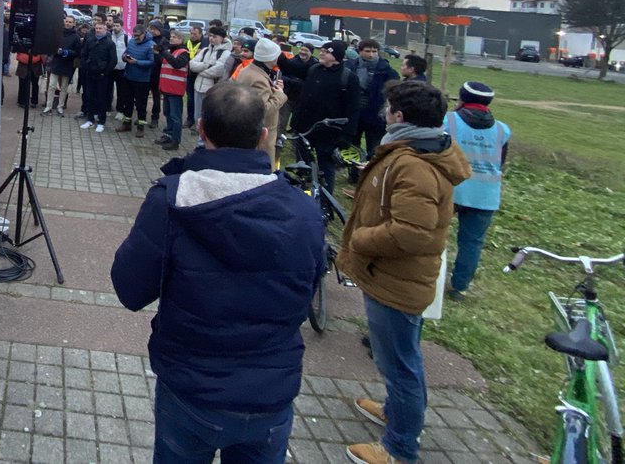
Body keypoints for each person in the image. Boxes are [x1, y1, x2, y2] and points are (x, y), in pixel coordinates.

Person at [112, 82, 324, 464]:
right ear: (262, 136)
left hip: (192, 387)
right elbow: (306, 292)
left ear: (201, 128)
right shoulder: (304, 211)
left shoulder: (172, 199)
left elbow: (129, 289)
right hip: (270, 392)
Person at [338, 80, 471, 464]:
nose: (383, 112)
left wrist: (361, 239)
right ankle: (397, 414)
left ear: (399, 116)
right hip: (393, 275)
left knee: (400, 365)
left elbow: (412, 232)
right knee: (397, 358)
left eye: (388, 108)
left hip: (395, 279)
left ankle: (400, 447)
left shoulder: (414, 164)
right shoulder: (413, 151)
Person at [446, 81, 510, 301]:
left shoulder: (449, 120)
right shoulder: (502, 129)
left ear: (462, 97)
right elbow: (501, 161)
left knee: (433, 234)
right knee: (472, 243)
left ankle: (429, 277)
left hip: (451, 188)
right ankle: (459, 288)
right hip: (486, 194)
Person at [290, 39, 360, 194]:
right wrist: (296, 122)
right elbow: (304, 98)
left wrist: (347, 135)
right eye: (321, 50)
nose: (321, 53)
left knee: (326, 167)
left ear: (337, 57)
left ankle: (325, 202)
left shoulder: (348, 78)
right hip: (305, 128)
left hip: (329, 132)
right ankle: (302, 194)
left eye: (326, 51)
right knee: (302, 164)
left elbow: (353, 108)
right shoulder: (314, 69)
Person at [232, 37, 287, 168]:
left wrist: (272, 89)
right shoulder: (258, 79)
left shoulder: (247, 70)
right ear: (271, 58)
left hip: (246, 130)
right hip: (262, 136)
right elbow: (262, 109)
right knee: (264, 169)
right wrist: (280, 95)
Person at [346, 39, 398, 159]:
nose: (371, 55)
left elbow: (393, 92)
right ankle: (353, 174)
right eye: (367, 51)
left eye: (374, 51)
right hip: (354, 113)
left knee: (374, 148)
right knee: (352, 146)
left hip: (376, 115)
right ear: (359, 51)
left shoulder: (387, 70)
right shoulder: (350, 66)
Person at [116, 25, 155, 138]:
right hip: (128, 76)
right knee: (127, 102)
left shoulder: (151, 45)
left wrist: (137, 62)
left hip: (142, 80)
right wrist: (124, 57)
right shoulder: (132, 41)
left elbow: (152, 62)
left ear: (144, 33)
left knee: (140, 104)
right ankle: (126, 124)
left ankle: (141, 127)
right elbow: (126, 52)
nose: (135, 38)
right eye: (134, 35)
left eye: (138, 36)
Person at [79, 20, 117, 132]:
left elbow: (113, 60)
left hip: (103, 76)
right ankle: (90, 119)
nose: (98, 30)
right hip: (90, 74)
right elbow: (84, 55)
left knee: (102, 98)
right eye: (96, 28)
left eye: (100, 28)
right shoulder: (90, 41)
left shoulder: (110, 44)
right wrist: (86, 67)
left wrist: (105, 72)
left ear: (105, 30)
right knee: (89, 96)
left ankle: (101, 121)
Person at [155, 29, 189, 151]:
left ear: (181, 39)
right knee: (168, 114)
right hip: (166, 87)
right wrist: (158, 53)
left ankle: (175, 140)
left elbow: (176, 64)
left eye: (175, 37)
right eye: (171, 37)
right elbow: (163, 64)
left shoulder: (184, 52)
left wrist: (164, 52)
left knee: (175, 116)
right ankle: (168, 135)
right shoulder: (170, 51)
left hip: (175, 89)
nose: (172, 39)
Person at [42, 15, 82, 116]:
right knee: (51, 85)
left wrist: (66, 52)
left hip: (67, 64)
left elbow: (78, 52)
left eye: (70, 22)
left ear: (73, 24)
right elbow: (50, 46)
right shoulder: (57, 34)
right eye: (67, 21)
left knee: (64, 87)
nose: (68, 23)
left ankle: (60, 106)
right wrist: (55, 50)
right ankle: (48, 106)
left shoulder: (76, 37)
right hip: (56, 62)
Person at [183, 25, 203, 129]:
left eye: (195, 34)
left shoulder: (204, 44)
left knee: (199, 99)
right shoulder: (187, 42)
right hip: (189, 74)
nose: (192, 35)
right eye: (191, 33)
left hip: (199, 74)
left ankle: (198, 121)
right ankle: (189, 119)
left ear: (200, 34)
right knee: (190, 98)